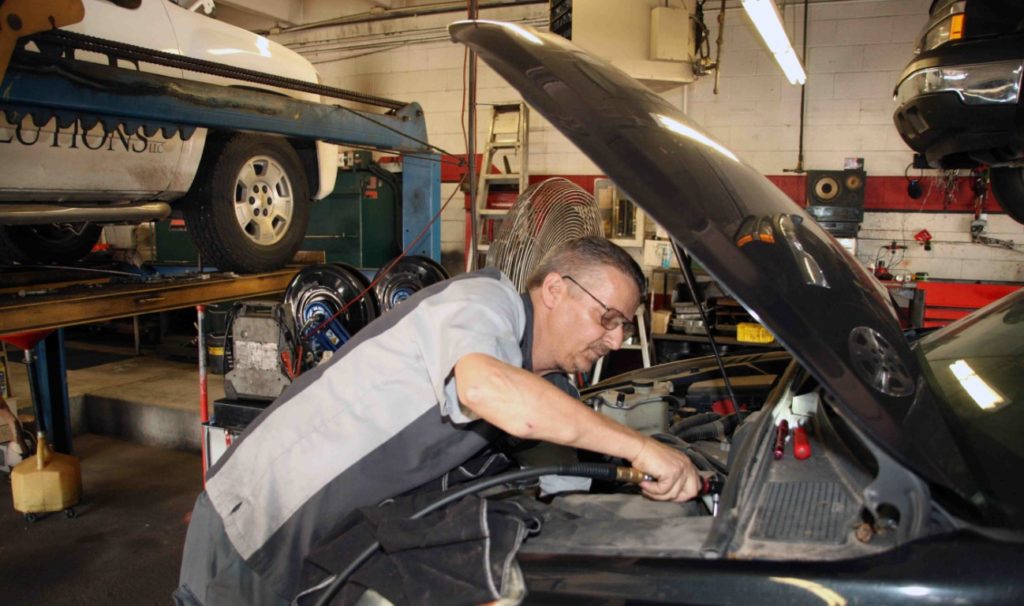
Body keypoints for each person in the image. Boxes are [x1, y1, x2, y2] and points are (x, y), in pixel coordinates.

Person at [175, 236, 699, 605]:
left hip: (329, 551)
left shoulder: (548, 387)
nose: (614, 340)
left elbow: (559, 487)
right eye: (608, 319)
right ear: (556, 290)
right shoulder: (482, 303)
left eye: (623, 328)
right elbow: (484, 389)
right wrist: (638, 447)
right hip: (266, 523)